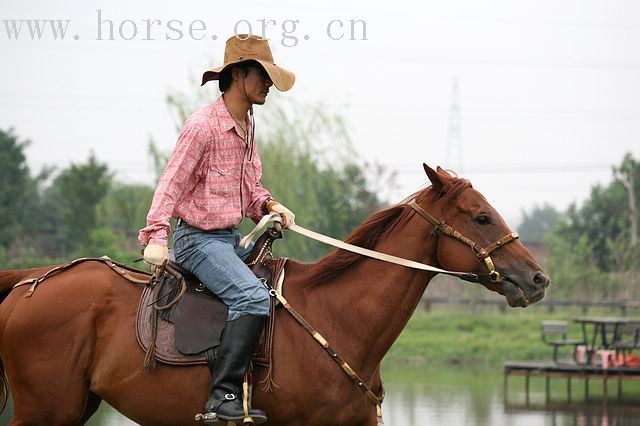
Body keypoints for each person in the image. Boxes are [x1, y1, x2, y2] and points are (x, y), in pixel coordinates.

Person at [138, 34, 296, 424]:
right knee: (253, 299)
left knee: (276, 287)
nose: (269, 86)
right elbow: (171, 182)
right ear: (239, 75)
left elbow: (248, 191)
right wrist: (156, 235)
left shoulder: (246, 127)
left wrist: (269, 205)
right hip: (197, 241)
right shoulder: (203, 126)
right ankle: (221, 396)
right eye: (263, 76)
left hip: (228, 239)